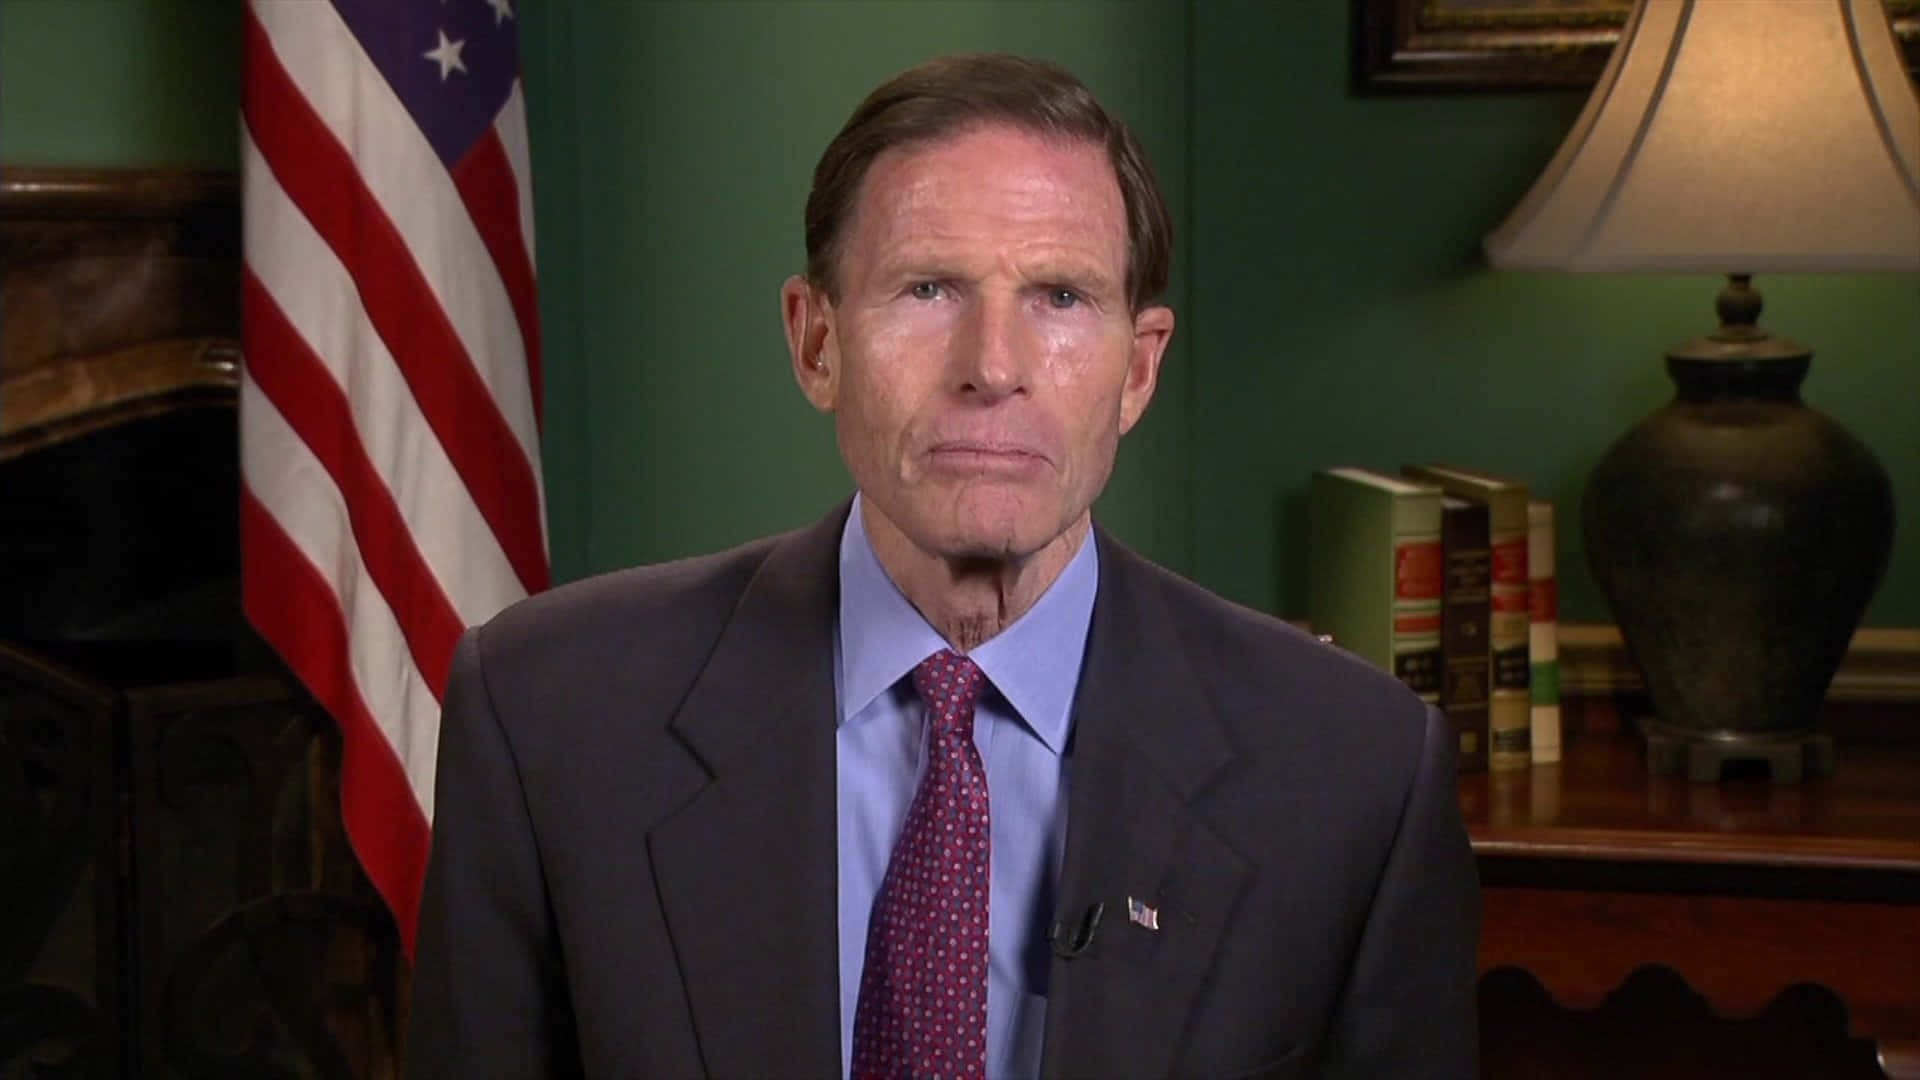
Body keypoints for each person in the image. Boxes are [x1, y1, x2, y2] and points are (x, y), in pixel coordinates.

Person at [408, 53, 1478, 1080]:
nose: (993, 368)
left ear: (1138, 369)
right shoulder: (551, 717)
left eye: (1060, 297)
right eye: (927, 289)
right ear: (815, 341)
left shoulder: (1356, 775)